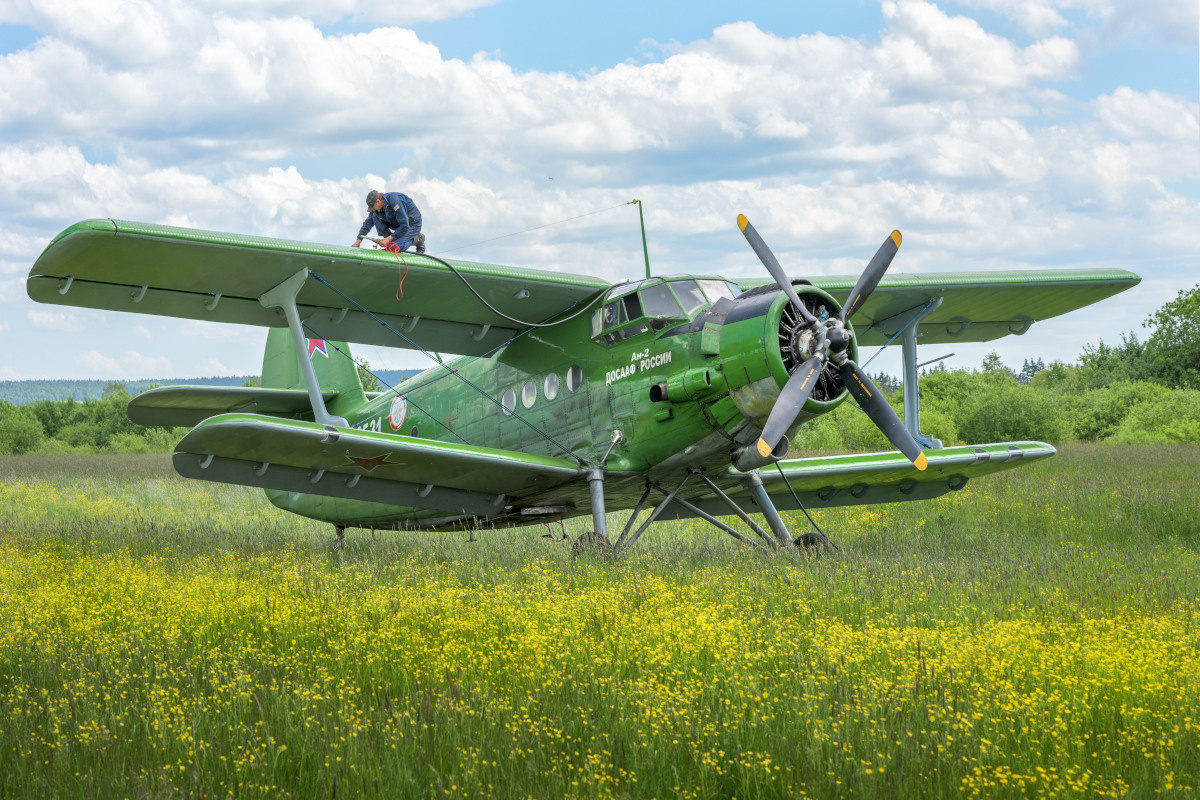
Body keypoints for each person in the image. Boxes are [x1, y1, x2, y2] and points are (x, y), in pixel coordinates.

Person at [352, 189, 426, 254]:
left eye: (373, 207)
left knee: (393, 247)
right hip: (399, 224)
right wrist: (358, 241)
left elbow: (404, 226)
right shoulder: (377, 208)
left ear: (378, 201)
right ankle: (390, 241)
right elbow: (367, 224)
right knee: (374, 216)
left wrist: (388, 239)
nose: (373, 209)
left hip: (412, 225)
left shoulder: (395, 200)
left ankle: (417, 239)